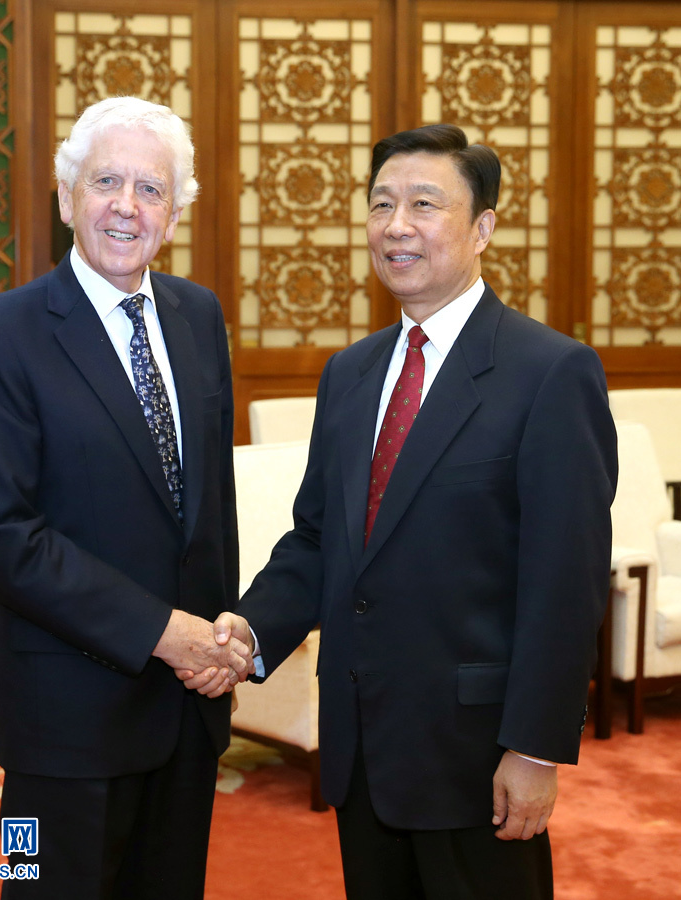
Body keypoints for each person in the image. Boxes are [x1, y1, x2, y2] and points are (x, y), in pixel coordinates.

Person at [182, 124, 618, 899]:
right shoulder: (350, 374)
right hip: (363, 744)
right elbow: (319, 539)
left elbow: (567, 582)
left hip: (475, 752)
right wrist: (248, 634)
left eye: (424, 204)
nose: (396, 226)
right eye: (382, 204)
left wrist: (535, 749)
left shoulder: (551, 372)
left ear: (482, 228)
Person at [0, 96, 253, 900]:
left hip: (188, 707)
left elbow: (209, 505)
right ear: (66, 197)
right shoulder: (0, 333)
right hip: (69, 716)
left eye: (150, 189)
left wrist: (220, 637)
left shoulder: (198, 316)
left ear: (174, 213)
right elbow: (0, 534)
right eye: (105, 182)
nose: (126, 206)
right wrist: (161, 632)